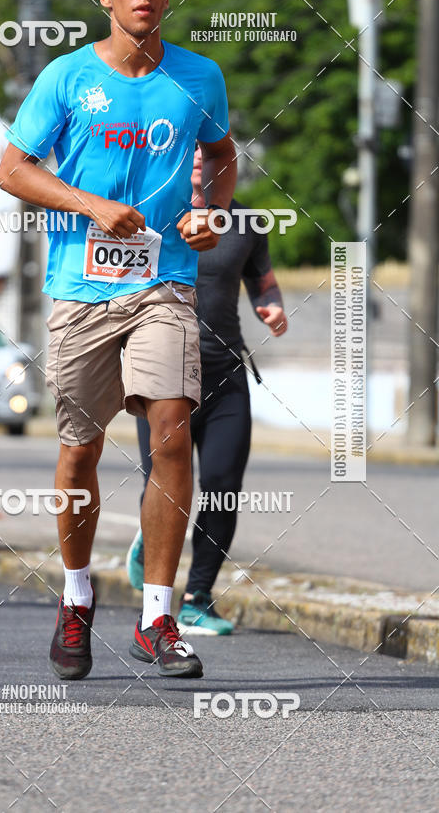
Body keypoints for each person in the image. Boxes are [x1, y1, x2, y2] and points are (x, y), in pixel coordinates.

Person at [0, 0, 237, 679]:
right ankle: (75, 600)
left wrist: (212, 212)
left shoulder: (200, 77)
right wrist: (89, 205)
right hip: (79, 288)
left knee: (171, 431)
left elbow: (222, 156)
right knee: (80, 449)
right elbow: (12, 169)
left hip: (162, 282)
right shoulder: (66, 78)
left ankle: (158, 617)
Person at [127, 144, 287, 634]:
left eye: (208, 150)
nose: (198, 157)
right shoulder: (153, 209)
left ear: (225, 162)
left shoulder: (248, 223)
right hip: (163, 374)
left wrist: (271, 305)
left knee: (221, 488)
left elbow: (263, 280)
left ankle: (197, 597)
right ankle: (153, 571)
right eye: (189, 148)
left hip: (225, 373)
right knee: (167, 487)